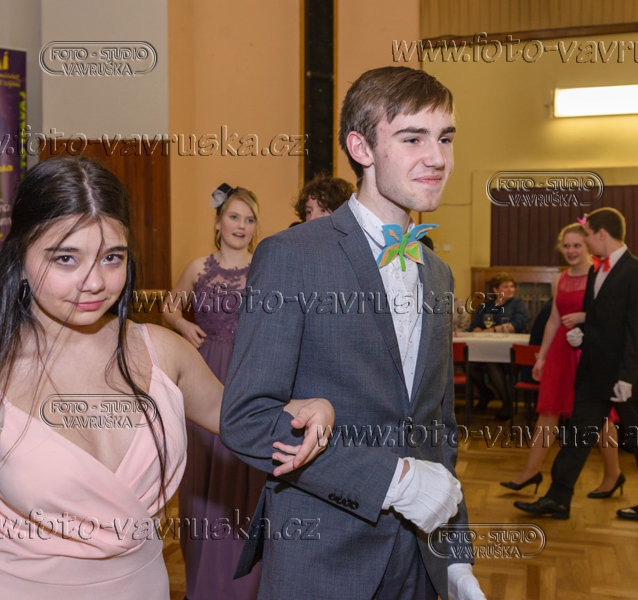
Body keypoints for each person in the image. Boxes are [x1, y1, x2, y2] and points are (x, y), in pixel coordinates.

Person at [0, 157, 334, 599]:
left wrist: (313, 407)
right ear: (19, 258)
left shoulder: (163, 353)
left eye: (112, 257)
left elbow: (245, 418)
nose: (94, 282)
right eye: (66, 258)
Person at [220, 66, 484, 600]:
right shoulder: (293, 255)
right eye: (412, 138)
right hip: (324, 555)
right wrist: (393, 481)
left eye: (445, 138)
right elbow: (248, 419)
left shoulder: (437, 273)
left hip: (419, 560)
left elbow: (437, 428)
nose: (437, 157)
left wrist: (455, 556)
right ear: (361, 147)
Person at [515, 207, 638, 521]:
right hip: (593, 373)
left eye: (586, 235)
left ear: (601, 234)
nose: (585, 241)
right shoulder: (596, 271)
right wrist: (581, 335)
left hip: (624, 376)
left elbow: (637, 329)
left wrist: (627, 377)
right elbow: (599, 318)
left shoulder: (637, 271)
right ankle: (558, 498)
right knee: (577, 436)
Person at [163, 183, 265, 599]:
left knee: (243, 472)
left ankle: (243, 582)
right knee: (201, 477)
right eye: (234, 216)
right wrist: (183, 325)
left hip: (246, 378)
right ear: (218, 221)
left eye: (249, 219)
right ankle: (202, 579)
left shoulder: (264, 268)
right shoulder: (197, 267)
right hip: (201, 375)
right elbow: (170, 307)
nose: (241, 225)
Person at [501, 224, 622, 496]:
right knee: (547, 413)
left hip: (589, 353)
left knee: (601, 417)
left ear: (588, 245)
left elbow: (613, 316)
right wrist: (541, 357)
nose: (571, 250)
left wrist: (584, 317)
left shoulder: (601, 273)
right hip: (560, 351)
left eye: (576, 245)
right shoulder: (560, 279)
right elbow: (554, 320)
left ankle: (613, 474)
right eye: (566, 246)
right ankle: (530, 471)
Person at [467, 272, 529, 420]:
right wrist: (478, 330)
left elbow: (517, 324)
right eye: (505, 286)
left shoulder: (518, 304)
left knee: (491, 363)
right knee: (469, 364)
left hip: (510, 351)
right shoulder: (486, 305)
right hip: (486, 348)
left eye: (512, 286)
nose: (510, 289)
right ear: (495, 289)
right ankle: (485, 393)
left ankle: (507, 404)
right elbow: (474, 326)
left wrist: (489, 331)